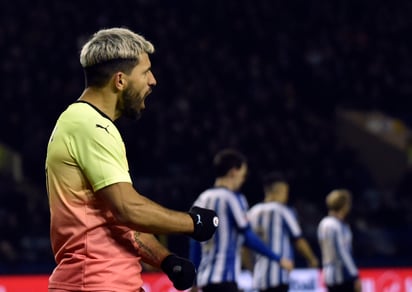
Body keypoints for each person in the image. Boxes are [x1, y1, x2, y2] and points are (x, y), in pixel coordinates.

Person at [45, 27, 219, 292]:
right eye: (145, 72)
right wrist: (192, 223)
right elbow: (128, 209)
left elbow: (117, 220)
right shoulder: (89, 126)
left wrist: (166, 259)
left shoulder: (85, 123)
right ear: (120, 80)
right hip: (94, 284)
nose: (153, 80)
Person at [189, 149, 293, 292]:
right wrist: (278, 259)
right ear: (233, 172)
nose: (243, 180)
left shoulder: (200, 200)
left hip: (205, 280)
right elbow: (248, 236)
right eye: (243, 175)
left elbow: (194, 243)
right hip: (226, 279)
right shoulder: (233, 199)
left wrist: (193, 282)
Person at [246, 172, 319, 292]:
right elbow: (298, 239)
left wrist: (251, 269)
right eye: (285, 192)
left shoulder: (251, 213)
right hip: (279, 276)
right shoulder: (283, 211)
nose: (286, 196)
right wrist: (312, 259)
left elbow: (244, 247)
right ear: (278, 191)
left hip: (259, 278)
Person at [317, 189, 362, 292]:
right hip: (343, 276)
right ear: (344, 206)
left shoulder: (323, 223)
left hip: (328, 274)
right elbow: (343, 251)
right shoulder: (337, 225)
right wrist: (354, 275)